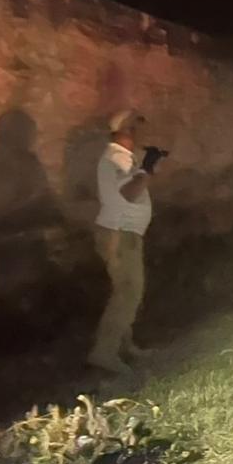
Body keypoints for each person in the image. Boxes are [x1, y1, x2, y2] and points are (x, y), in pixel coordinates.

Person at [87, 110, 163, 374]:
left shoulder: (120, 157)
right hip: (120, 235)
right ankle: (104, 352)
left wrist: (143, 167)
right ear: (122, 132)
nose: (137, 135)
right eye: (133, 129)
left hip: (123, 233)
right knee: (128, 293)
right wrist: (149, 166)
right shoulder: (116, 157)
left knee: (126, 292)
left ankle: (123, 346)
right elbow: (130, 193)